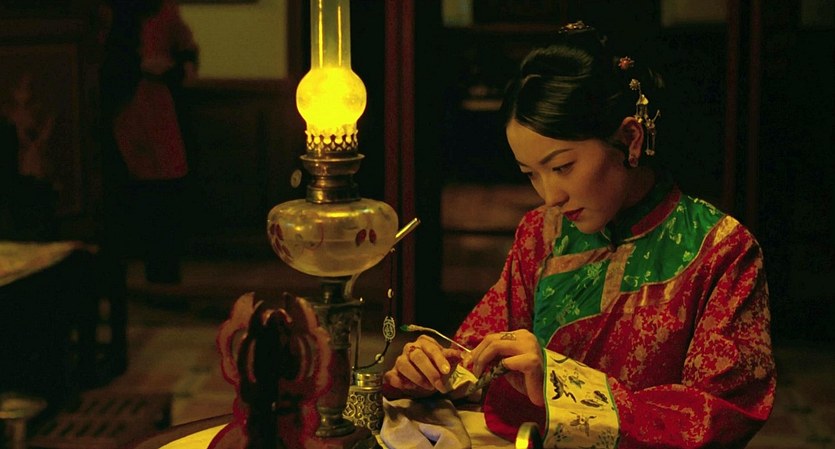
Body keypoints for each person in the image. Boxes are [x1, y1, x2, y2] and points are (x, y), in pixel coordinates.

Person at [383, 22, 775, 448]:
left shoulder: (721, 250)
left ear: (630, 139)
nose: (550, 195)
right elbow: (480, 356)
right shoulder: (542, 232)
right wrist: (433, 370)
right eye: (531, 174)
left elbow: (720, 418)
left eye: (562, 167)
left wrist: (559, 384)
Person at [98, 0, 198, 284]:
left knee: (162, 198)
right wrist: (139, 66)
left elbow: (187, 53)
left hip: (159, 111)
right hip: (122, 113)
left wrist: (178, 69)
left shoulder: (165, 11)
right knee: (124, 199)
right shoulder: (106, 14)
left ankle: (162, 278)